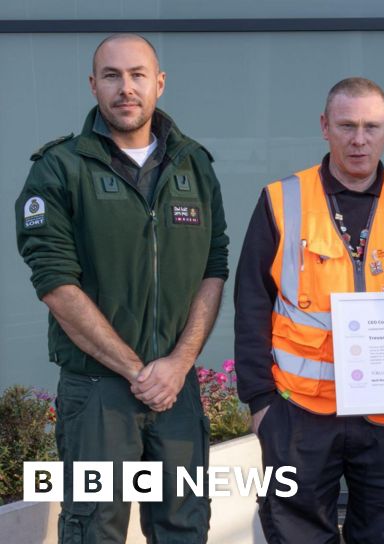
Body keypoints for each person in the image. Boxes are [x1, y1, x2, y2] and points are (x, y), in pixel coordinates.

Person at [14, 33, 228, 543]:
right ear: (93, 85)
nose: (125, 88)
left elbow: (213, 267)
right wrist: (137, 370)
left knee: (184, 527)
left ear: (159, 83)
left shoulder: (193, 164)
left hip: (178, 390)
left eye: (137, 75)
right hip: (97, 394)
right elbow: (56, 285)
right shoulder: (59, 168)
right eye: (111, 76)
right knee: (95, 530)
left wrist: (176, 366)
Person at [234, 77, 384, 544]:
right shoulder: (281, 200)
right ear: (324, 126)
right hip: (298, 412)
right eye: (346, 125)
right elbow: (252, 301)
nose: (358, 139)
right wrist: (260, 403)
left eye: (371, 126)